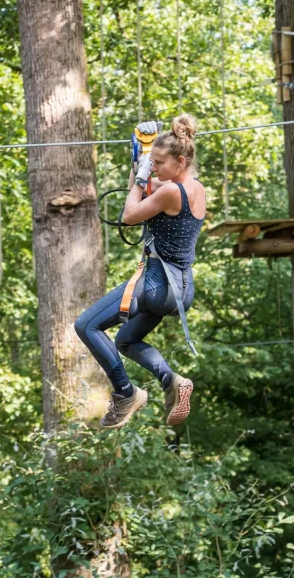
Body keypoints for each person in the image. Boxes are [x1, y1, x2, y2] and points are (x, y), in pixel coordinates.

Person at [75, 115, 206, 429]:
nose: (156, 167)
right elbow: (153, 186)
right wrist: (141, 161)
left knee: (86, 326)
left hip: (157, 285)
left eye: (160, 162)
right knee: (126, 340)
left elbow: (130, 214)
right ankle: (171, 380)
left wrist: (139, 178)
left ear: (180, 161)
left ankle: (125, 392)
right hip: (181, 292)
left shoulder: (171, 192)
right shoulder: (194, 188)